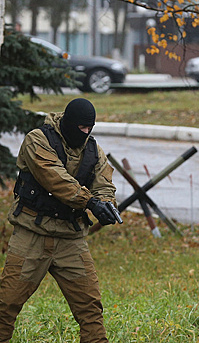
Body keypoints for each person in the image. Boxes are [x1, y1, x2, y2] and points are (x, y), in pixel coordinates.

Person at [0, 98, 119, 342]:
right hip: (32, 233)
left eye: (90, 128)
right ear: (68, 123)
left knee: (90, 309)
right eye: (81, 128)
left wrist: (106, 204)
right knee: (6, 304)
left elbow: (104, 183)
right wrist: (90, 202)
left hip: (70, 239)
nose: (86, 133)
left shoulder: (93, 149)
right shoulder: (38, 139)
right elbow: (55, 177)